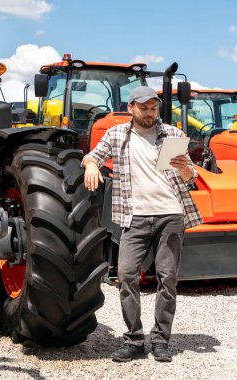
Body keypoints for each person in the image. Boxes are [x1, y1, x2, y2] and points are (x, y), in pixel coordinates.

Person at [82, 86, 202, 363]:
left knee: (167, 279)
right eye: (144, 107)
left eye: (153, 108)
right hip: (134, 217)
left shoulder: (173, 134)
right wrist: (90, 165)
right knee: (125, 276)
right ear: (132, 107)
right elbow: (93, 156)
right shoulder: (116, 134)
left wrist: (185, 168)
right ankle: (134, 340)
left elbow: (191, 176)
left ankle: (160, 340)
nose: (149, 113)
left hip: (171, 215)